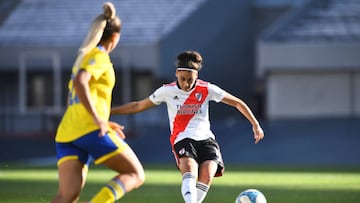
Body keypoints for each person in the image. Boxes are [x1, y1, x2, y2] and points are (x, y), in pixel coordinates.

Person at [111, 50, 265, 203]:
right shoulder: (167, 91)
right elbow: (137, 106)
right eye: (183, 78)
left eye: (190, 80)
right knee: (190, 169)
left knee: (208, 174)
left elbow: (237, 102)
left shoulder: (207, 89)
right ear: (177, 73)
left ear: (196, 76)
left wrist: (255, 124)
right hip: (182, 138)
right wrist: (107, 112)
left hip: (206, 139)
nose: (186, 84)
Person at [51, 2, 144, 203]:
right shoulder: (99, 56)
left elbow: (77, 96)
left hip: (68, 131)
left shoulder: (83, 57)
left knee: (66, 196)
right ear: (115, 37)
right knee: (135, 174)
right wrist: (98, 120)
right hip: (89, 128)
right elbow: (80, 82)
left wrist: (104, 120)